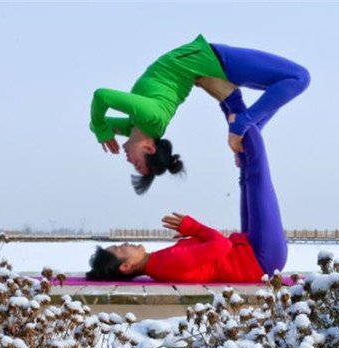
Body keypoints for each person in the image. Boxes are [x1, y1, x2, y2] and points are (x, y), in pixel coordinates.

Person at [86, 89, 287, 282]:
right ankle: (231, 98)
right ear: (126, 266)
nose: (125, 243)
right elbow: (222, 246)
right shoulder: (165, 264)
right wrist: (193, 227)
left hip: (249, 251)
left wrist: (195, 233)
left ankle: (234, 102)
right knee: (256, 175)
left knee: (248, 176)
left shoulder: (158, 262)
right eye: (120, 248)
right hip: (260, 258)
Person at [90, 34, 310, 194]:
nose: (129, 160)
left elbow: (100, 105)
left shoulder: (135, 125)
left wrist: (100, 129)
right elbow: (101, 98)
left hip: (202, 62)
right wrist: (100, 127)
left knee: (281, 88)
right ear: (149, 148)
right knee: (299, 78)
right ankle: (245, 126)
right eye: (137, 164)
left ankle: (246, 127)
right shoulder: (152, 118)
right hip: (212, 60)